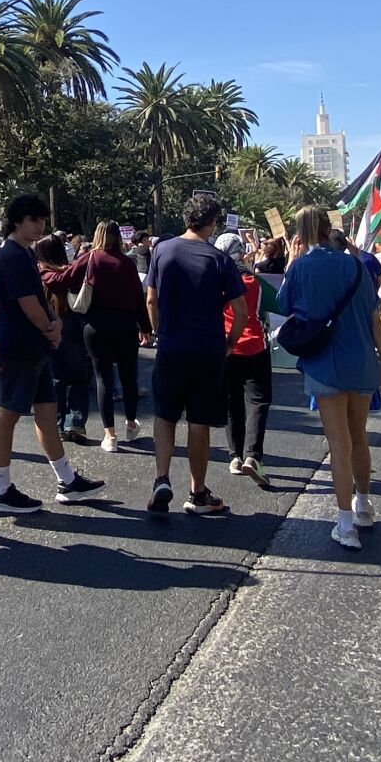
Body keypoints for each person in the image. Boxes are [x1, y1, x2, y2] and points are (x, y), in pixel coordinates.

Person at [0, 193, 104, 514]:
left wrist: (53, 327)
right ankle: (1, 489)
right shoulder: (10, 255)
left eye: (42, 220)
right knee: (7, 414)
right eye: (34, 220)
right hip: (21, 346)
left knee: (47, 411)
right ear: (17, 221)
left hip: (35, 346)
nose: (40, 226)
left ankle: (67, 480)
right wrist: (51, 328)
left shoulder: (24, 253)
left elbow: (39, 299)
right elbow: (29, 304)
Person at [278, 206, 381, 549]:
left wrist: (290, 263)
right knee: (359, 436)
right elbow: (375, 318)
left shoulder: (302, 267)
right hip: (361, 361)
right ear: (329, 229)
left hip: (325, 363)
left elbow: (284, 306)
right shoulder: (355, 265)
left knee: (338, 444)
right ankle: (364, 504)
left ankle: (344, 523)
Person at [142, 195, 241, 519]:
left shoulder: (162, 250)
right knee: (199, 422)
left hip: (172, 346)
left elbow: (151, 300)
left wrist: (159, 333)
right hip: (208, 348)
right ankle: (198, 491)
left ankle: (161, 477)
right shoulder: (219, 259)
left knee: (165, 415)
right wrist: (229, 343)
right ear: (212, 223)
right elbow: (241, 313)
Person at [58, 219, 147, 453]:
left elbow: (64, 279)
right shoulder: (128, 263)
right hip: (126, 324)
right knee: (129, 376)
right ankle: (130, 422)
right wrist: (145, 326)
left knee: (102, 377)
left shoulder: (89, 259)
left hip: (96, 325)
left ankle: (110, 435)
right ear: (118, 236)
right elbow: (139, 297)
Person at [215, 231, 273, 487]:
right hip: (255, 346)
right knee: (258, 401)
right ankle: (253, 455)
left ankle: (235, 455)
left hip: (226, 347)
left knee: (231, 401)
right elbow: (273, 307)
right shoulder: (255, 281)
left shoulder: (214, 283)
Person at [34, 234, 94, 444]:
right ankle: (76, 422)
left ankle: (60, 422)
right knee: (78, 377)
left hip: (49, 329)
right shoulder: (72, 274)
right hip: (74, 326)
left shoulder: (39, 275)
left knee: (56, 378)